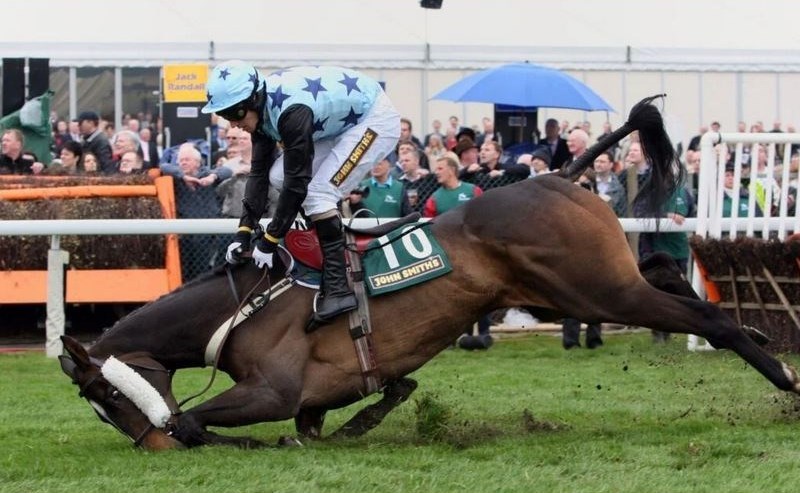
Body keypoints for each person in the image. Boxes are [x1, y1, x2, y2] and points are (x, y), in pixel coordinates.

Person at [202, 60, 400, 324]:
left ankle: (338, 289)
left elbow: (298, 184)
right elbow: (259, 175)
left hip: (374, 119)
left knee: (319, 193)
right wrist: (244, 233)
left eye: (234, 115)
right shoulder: (262, 111)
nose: (233, 125)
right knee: (276, 175)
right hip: (339, 124)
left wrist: (270, 239)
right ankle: (315, 247)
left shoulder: (290, 113)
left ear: (251, 101)